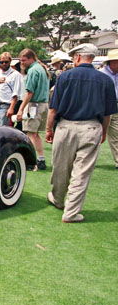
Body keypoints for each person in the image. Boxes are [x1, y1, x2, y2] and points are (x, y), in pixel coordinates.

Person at [45, 43, 117, 223]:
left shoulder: (64, 77)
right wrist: (104, 131)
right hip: (92, 127)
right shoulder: (105, 80)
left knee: (60, 167)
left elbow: (53, 109)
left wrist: (48, 129)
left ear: (77, 57)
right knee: (82, 172)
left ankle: (58, 200)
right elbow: (108, 113)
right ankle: (71, 211)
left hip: (65, 127)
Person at [16, 49, 50, 170]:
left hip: (35, 105)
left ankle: (33, 161)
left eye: (24, 60)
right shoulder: (41, 69)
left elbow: (29, 92)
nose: (22, 63)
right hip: (43, 104)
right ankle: (40, 159)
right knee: (35, 134)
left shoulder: (33, 71)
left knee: (31, 134)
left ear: (31, 58)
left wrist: (21, 109)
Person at [0, 52, 23, 125]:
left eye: (6, 62)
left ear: (10, 61)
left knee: (3, 130)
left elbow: (16, 94)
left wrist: (11, 108)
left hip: (4, 106)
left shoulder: (15, 75)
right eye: (2, 62)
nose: (4, 64)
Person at [100, 49, 118, 169]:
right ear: (112, 62)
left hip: (116, 106)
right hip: (103, 106)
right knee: (97, 135)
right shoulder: (102, 74)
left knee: (116, 135)